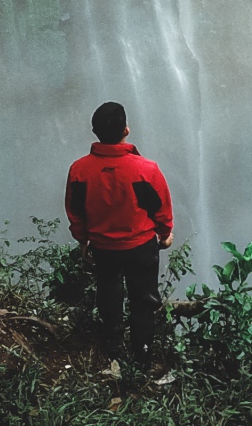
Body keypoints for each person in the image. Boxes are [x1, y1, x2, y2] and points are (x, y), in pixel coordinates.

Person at [64, 101, 174, 361]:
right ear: (126, 129)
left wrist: (82, 241)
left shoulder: (79, 170)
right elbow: (161, 207)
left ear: (95, 131)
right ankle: (142, 353)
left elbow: (75, 211)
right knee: (144, 300)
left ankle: (112, 349)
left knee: (109, 296)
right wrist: (165, 234)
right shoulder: (146, 169)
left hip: (104, 249)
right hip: (141, 247)